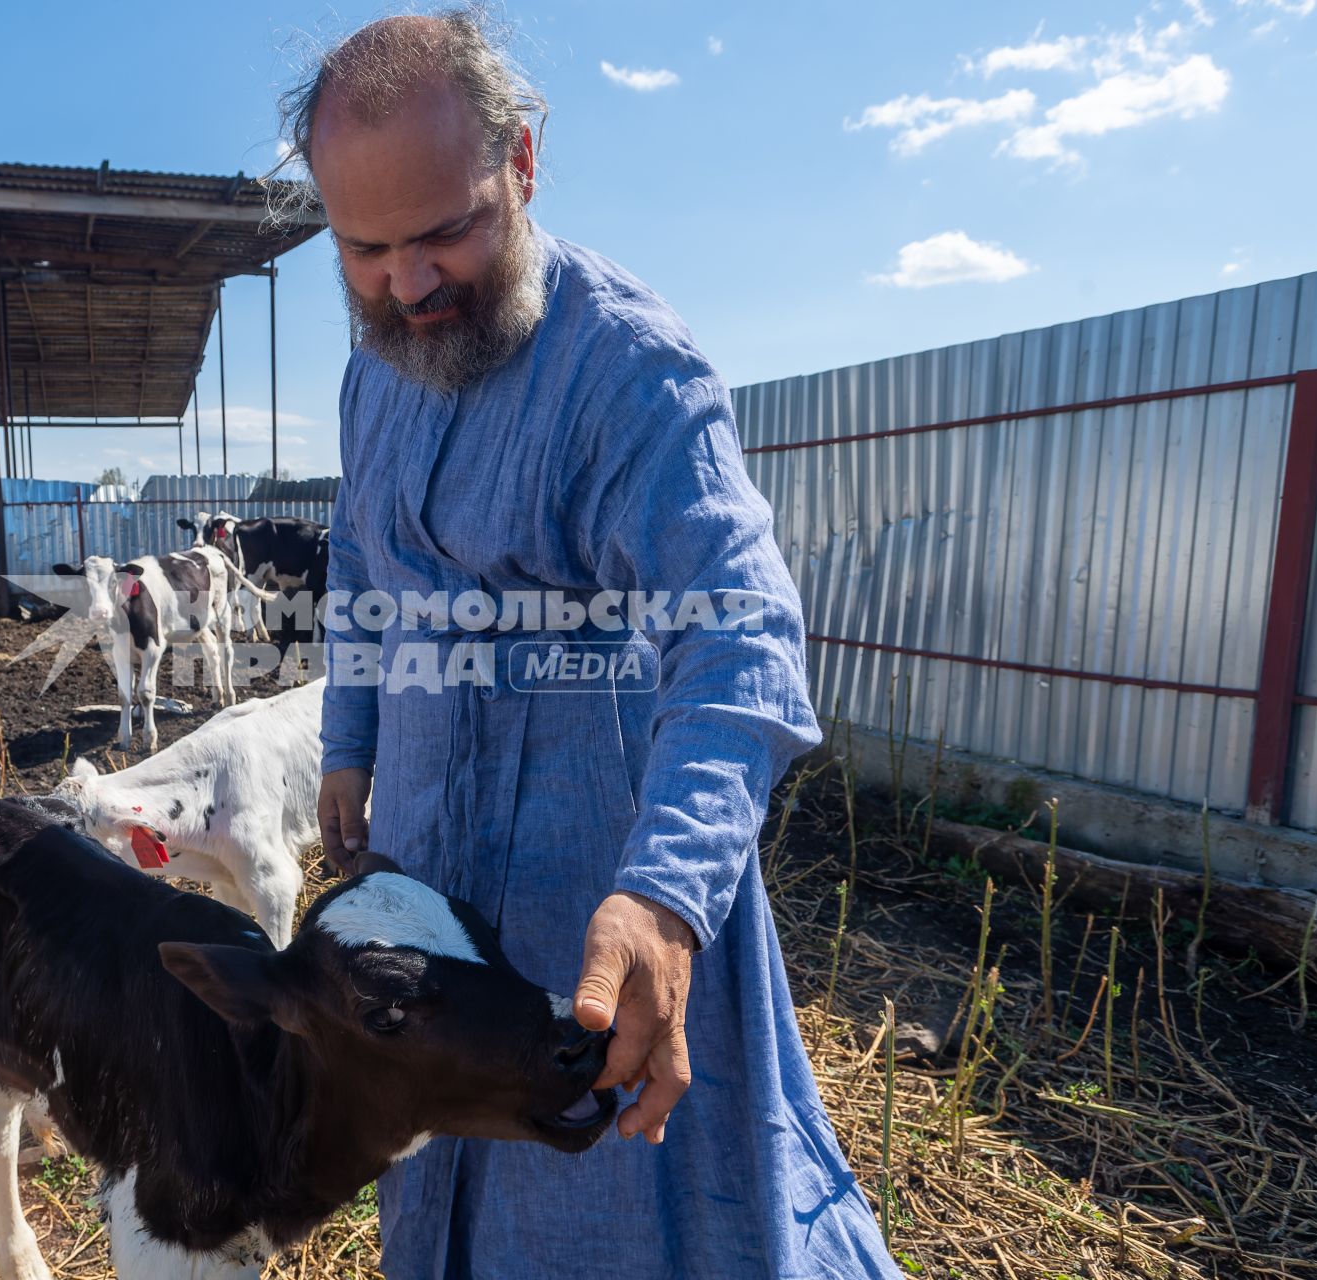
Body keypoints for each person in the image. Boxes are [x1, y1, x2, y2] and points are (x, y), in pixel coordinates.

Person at [284, 11, 901, 1279]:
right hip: (429, 877)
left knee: (624, 1207)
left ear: (520, 161)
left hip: (598, 903)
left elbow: (739, 631)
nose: (408, 283)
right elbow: (361, 565)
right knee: (441, 1163)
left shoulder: (628, 369)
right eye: (366, 247)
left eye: (446, 228)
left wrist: (669, 897)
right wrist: (350, 740)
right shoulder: (373, 374)